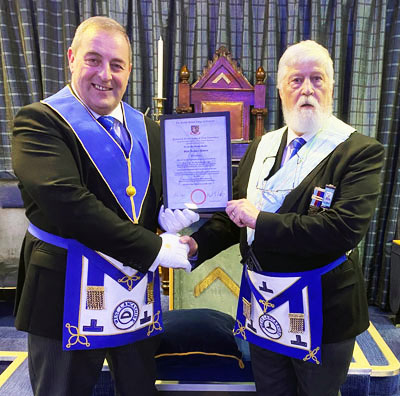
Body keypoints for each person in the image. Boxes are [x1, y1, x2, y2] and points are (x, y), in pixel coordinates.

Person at [181, 40, 384, 396]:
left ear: (331, 87)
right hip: (264, 304)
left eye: (317, 79)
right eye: (296, 80)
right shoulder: (262, 146)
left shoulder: (359, 152)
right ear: (280, 89)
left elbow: (340, 231)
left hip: (324, 309)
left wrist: (259, 219)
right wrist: (197, 243)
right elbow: (236, 219)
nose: (307, 89)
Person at [12, 16, 197, 396]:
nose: (105, 75)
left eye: (117, 65)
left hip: (134, 292)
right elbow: (68, 205)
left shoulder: (147, 128)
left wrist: (165, 215)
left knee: (139, 388)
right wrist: (155, 246)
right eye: (93, 60)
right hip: (66, 291)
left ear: (129, 70)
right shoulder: (39, 122)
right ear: (71, 58)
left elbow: (148, 196)